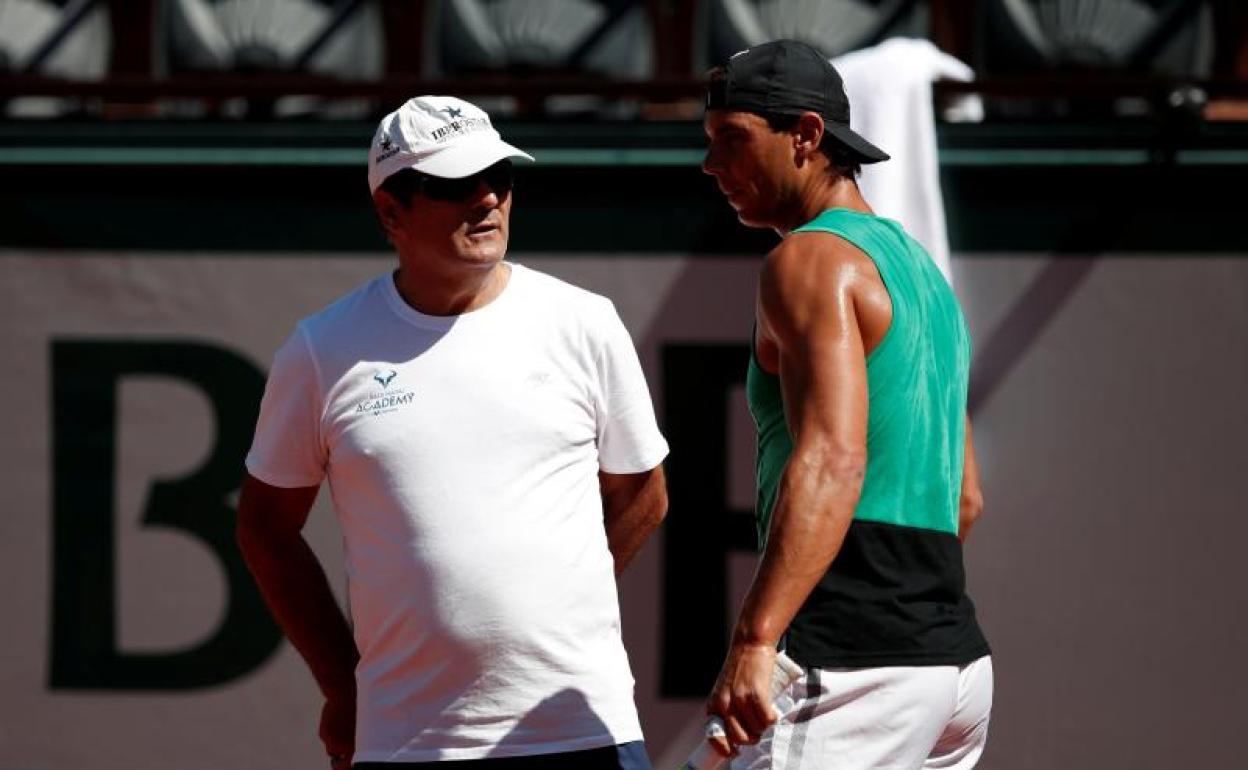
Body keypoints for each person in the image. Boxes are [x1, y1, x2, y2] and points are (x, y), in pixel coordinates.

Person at [236, 95, 669, 769]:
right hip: (405, 741)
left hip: (582, 729)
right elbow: (265, 527)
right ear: (390, 212)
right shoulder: (321, 349)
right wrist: (341, 685)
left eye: (500, 178)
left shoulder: (584, 323)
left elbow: (644, 491)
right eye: (455, 185)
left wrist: (556, 607)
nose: (488, 198)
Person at [699, 40, 992, 769]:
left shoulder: (808, 259)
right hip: (952, 667)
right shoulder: (923, 274)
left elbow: (832, 455)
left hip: (855, 660)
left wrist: (755, 640)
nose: (712, 168)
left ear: (805, 136)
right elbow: (966, 497)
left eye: (733, 142)